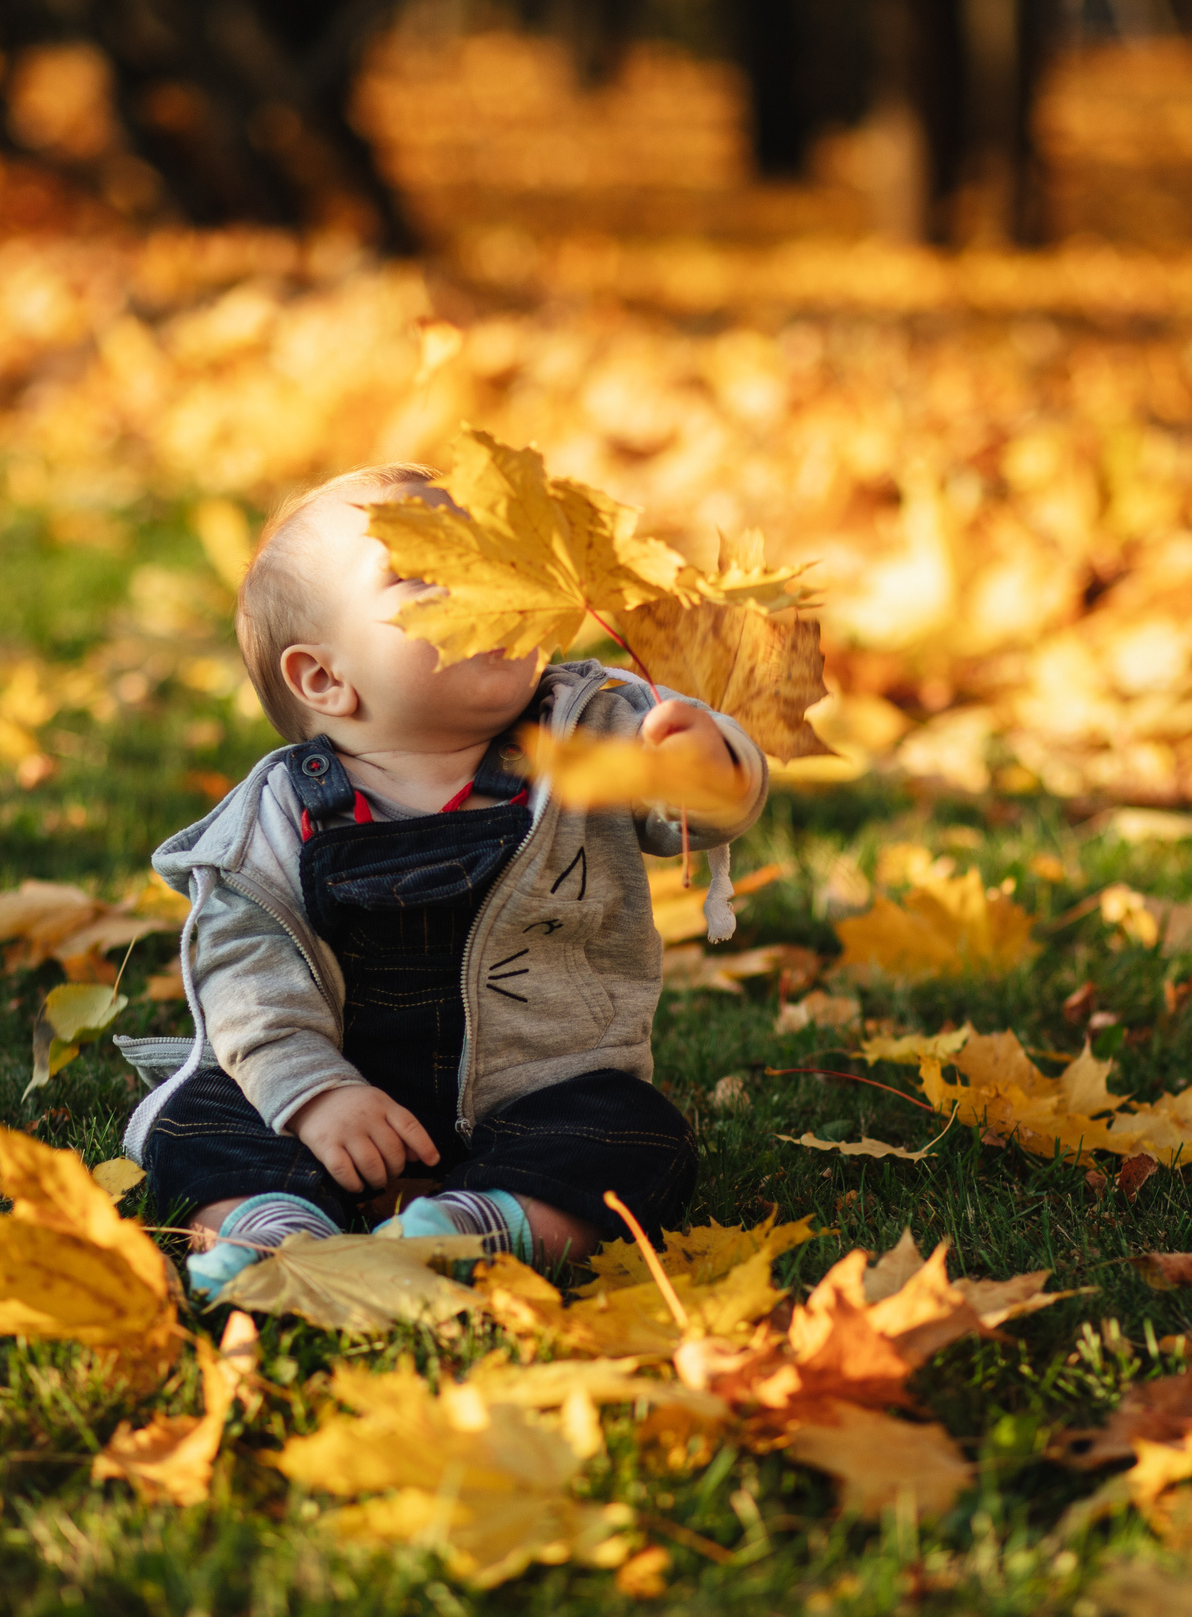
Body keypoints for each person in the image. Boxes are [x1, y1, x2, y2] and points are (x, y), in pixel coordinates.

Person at [121, 463, 767, 1297]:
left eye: (492, 558)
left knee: (638, 1136)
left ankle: (480, 1224)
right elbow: (246, 977)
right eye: (424, 572)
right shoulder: (276, 816)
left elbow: (701, 812)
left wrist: (709, 763)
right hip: (334, 1100)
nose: (484, 586)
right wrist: (315, 1097)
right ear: (323, 678)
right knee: (196, 1121)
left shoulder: (593, 722)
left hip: (539, 1092)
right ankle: (273, 1225)